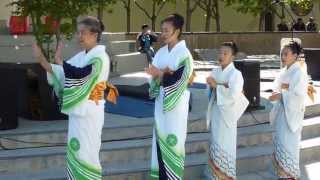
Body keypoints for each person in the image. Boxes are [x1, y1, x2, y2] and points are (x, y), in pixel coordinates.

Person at [33, 16, 112, 180]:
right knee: (76, 151)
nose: (79, 37)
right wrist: (43, 61)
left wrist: (60, 62)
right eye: (78, 33)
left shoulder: (100, 58)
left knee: (88, 154)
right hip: (78, 113)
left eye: (82, 33)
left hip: (91, 112)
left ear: (94, 34)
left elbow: (81, 75)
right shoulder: (82, 56)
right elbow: (63, 72)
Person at [146, 13, 194, 179]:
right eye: (162, 30)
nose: (163, 34)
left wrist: (160, 74)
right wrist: (157, 75)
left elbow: (180, 81)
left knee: (172, 146)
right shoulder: (160, 53)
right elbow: (154, 76)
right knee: (159, 148)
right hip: (161, 105)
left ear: (177, 31)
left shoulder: (184, 55)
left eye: (167, 30)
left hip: (175, 108)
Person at [205, 42, 249, 179]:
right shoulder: (215, 71)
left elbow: (234, 94)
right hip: (216, 111)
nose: (221, 55)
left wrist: (217, 86)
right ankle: (214, 175)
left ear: (233, 57)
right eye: (220, 52)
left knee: (225, 143)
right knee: (215, 141)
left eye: (225, 53)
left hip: (227, 115)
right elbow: (210, 91)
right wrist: (212, 86)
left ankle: (225, 175)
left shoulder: (236, 74)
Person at [269, 41, 308, 179]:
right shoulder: (283, 72)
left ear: (295, 55)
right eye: (282, 54)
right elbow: (277, 88)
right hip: (282, 112)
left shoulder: (299, 73)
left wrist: (281, 95)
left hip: (292, 115)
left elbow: (299, 96)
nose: (283, 57)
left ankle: (289, 175)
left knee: (289, 144)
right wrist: (276, 94)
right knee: (280, 142)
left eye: (286, 54)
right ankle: (282, 174)